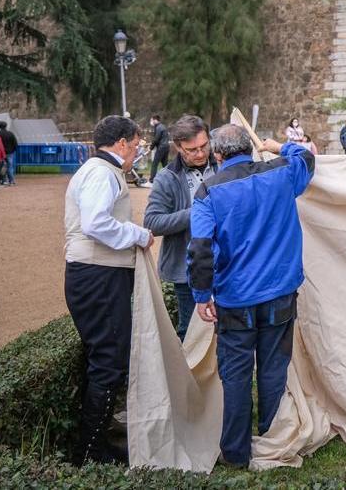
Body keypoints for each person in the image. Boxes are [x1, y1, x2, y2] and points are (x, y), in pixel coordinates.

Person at [188, 125, 315, 467]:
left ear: (216, 155)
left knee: (237, 376)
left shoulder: (208, 191)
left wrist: (201, 295)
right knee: (274, 369)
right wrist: (279, 146)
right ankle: (274, 439)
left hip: (236, 299)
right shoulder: (282, 172)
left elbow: (200, 249)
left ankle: (236, 453)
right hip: (279, 292)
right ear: (251, 147)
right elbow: (307, 156)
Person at [64, 115, 153, 465]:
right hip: (97, 276)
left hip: (98, 274)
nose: (135, 152)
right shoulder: (102, 172)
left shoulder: (98, 169)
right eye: (134, 145)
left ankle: (94, 444)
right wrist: (138, 234)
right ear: (120, 143)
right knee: (110, 361)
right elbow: (96, 222)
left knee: (107, 356)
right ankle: (91, 450)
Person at [143, 115, 216, 340]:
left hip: (227, 265)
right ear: (178, 147)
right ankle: (190, 376)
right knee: (192, 333)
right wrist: (197, 213)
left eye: (204, 146)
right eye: (191, 150)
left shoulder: (223, 164)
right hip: (188, 271)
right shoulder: (167, 177)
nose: (201, 153)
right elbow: (152, 222)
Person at [148, 115, 170, 182]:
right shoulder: (163, 126)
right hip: (166, 147)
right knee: (165, 164)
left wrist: (151, 147)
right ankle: (169, 178)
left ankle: (152, 180)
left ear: (155, 120)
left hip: (161, 147)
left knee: (155, 163)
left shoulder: (158, 128)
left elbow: (156, 139)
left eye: (151, 120)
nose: (151, 122)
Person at [0, 121, 19, 186]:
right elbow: (15, 143)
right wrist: (13, 150)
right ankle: (11, 181)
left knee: (2, 167)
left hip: (0, 153)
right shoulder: (10, 133)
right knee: (10, 167)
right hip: (10, 153)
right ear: (6, 126)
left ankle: (3, 181)